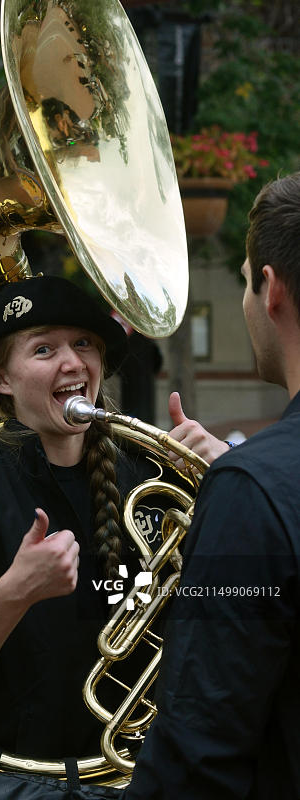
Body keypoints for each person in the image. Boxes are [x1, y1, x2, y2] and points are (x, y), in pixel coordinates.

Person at [0, 275, 166, 763]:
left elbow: (219, 595)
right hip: (35, 772)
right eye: (43, 350)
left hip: (156, 758)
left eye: (83, 343)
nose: (72, 362)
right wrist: (14, 592)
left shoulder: (146, 466)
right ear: (3, 380)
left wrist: (221, 485)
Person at [125, 171, 300, 799]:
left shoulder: (251, 490)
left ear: (270, 288)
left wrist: (238, 488)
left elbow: (193, 763)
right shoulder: (252, 482)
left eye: (245, 280)